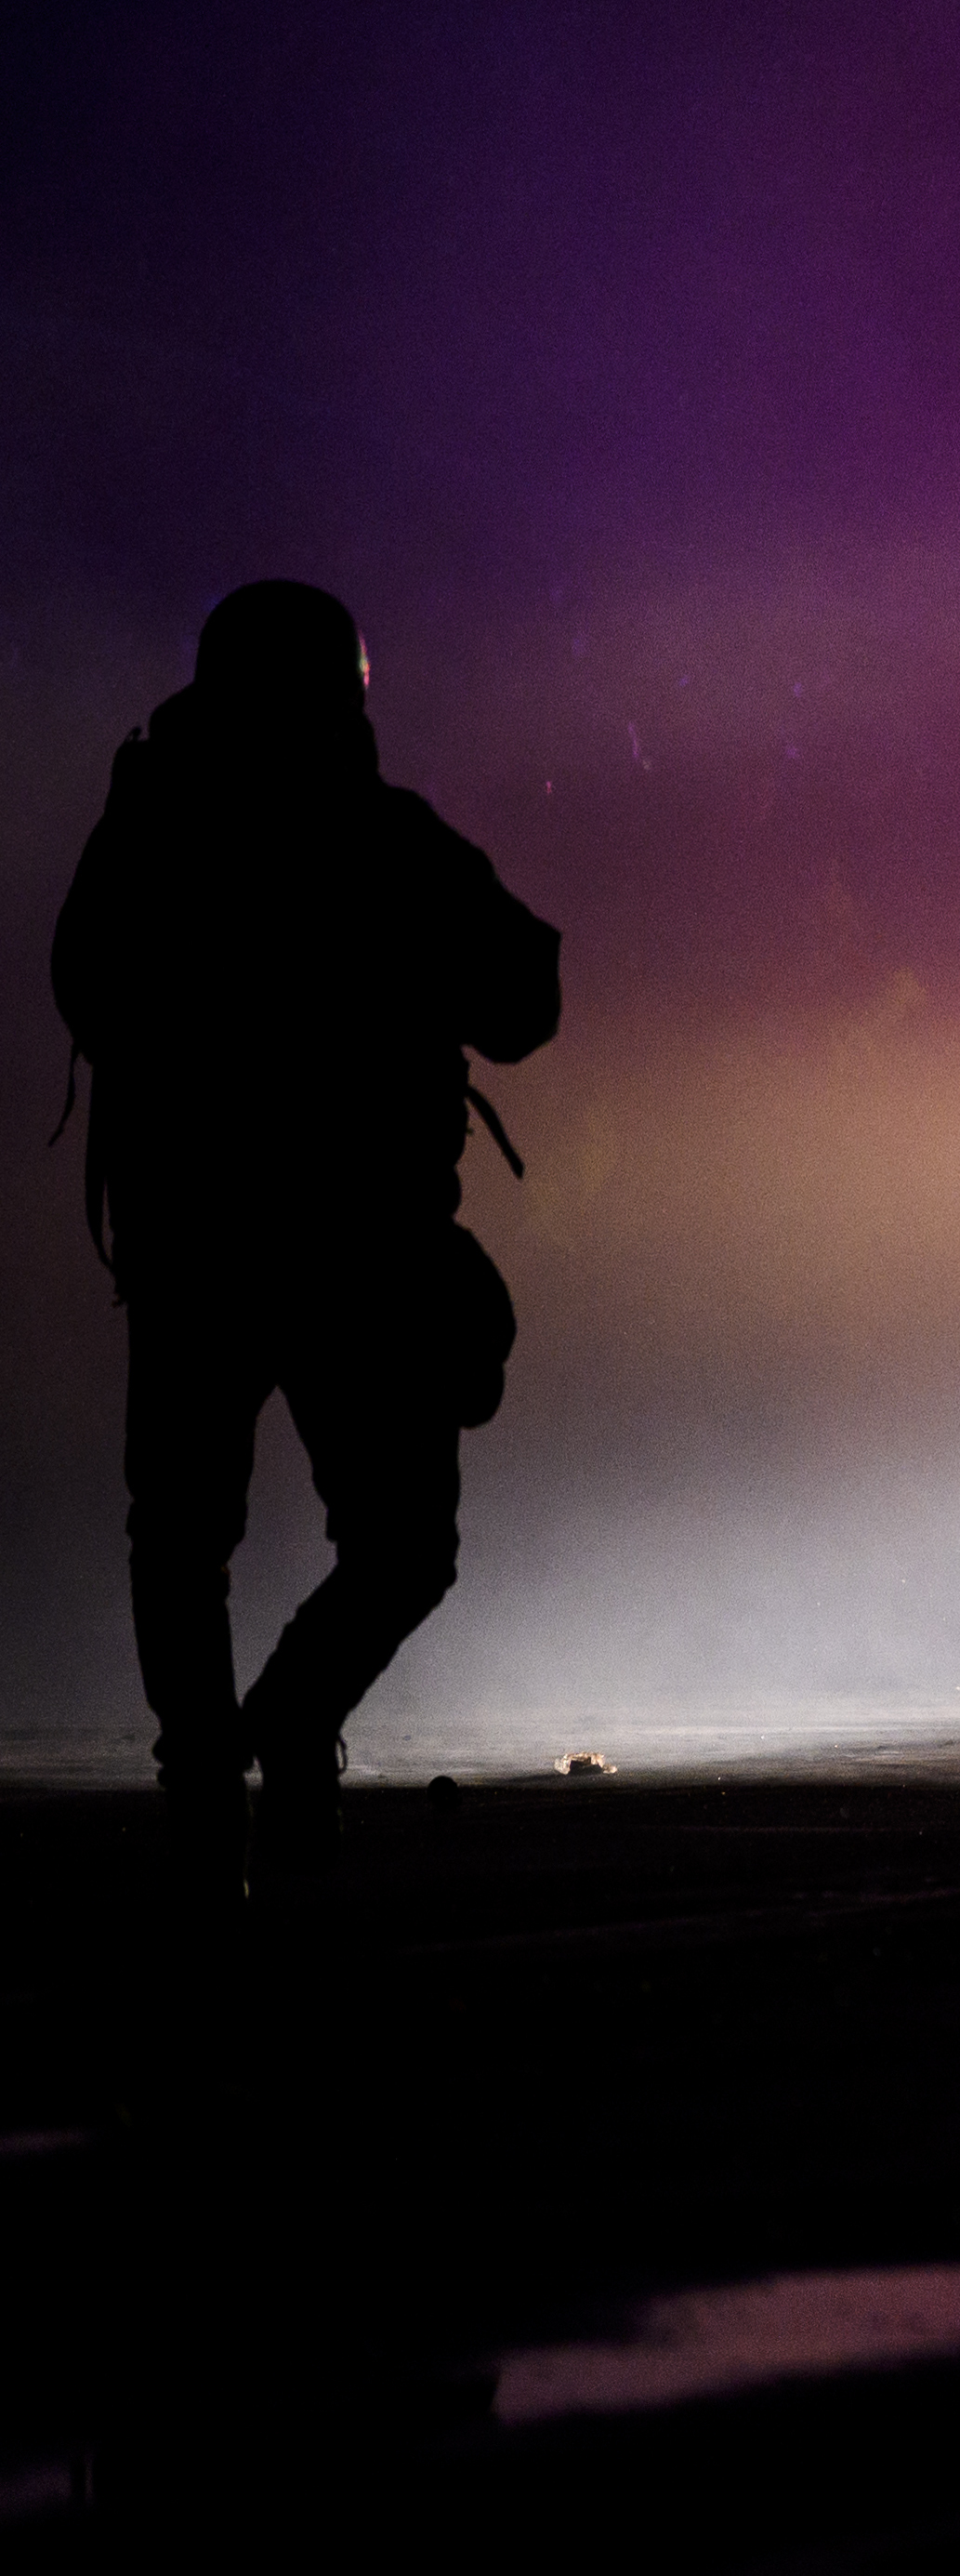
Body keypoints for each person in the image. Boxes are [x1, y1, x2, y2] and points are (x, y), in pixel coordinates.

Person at [54, 581, 560, 1909]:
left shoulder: (154, 837)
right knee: (391, 1544)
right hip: (354, 1251)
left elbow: (89, 993)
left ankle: (215, 1791)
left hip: (208, 1249)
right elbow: (522, 999)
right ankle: (266, 1739)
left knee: (185, 1538)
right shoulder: (383, 840)